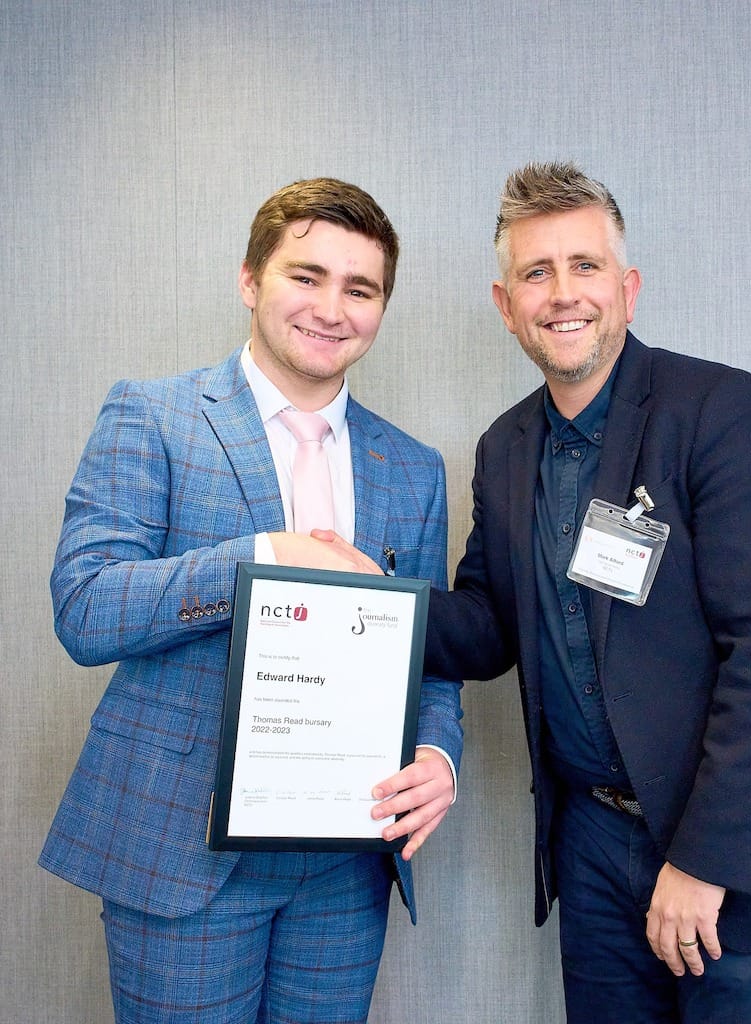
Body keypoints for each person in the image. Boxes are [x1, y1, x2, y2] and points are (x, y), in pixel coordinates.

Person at [422, 162, 751, 1024]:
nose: (564, 293)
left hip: (738, 843)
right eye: (536, 272)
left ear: (627, 289)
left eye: (585, 265)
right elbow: (487, 626)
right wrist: (366, 603)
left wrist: (705, 861)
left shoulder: (716, 410)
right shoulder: (504, 449)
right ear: (506, 305)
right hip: (595, 847)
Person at [40, 177, 463, 1024]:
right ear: (249, 280)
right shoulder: (152, 415)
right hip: (182, 851)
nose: (331, 309)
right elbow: (86, 608)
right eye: (306, 276)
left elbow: (430, 655)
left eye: (361, 289)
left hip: (346, 865)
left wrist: (438, 755)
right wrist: (264, 557)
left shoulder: (413, 468)